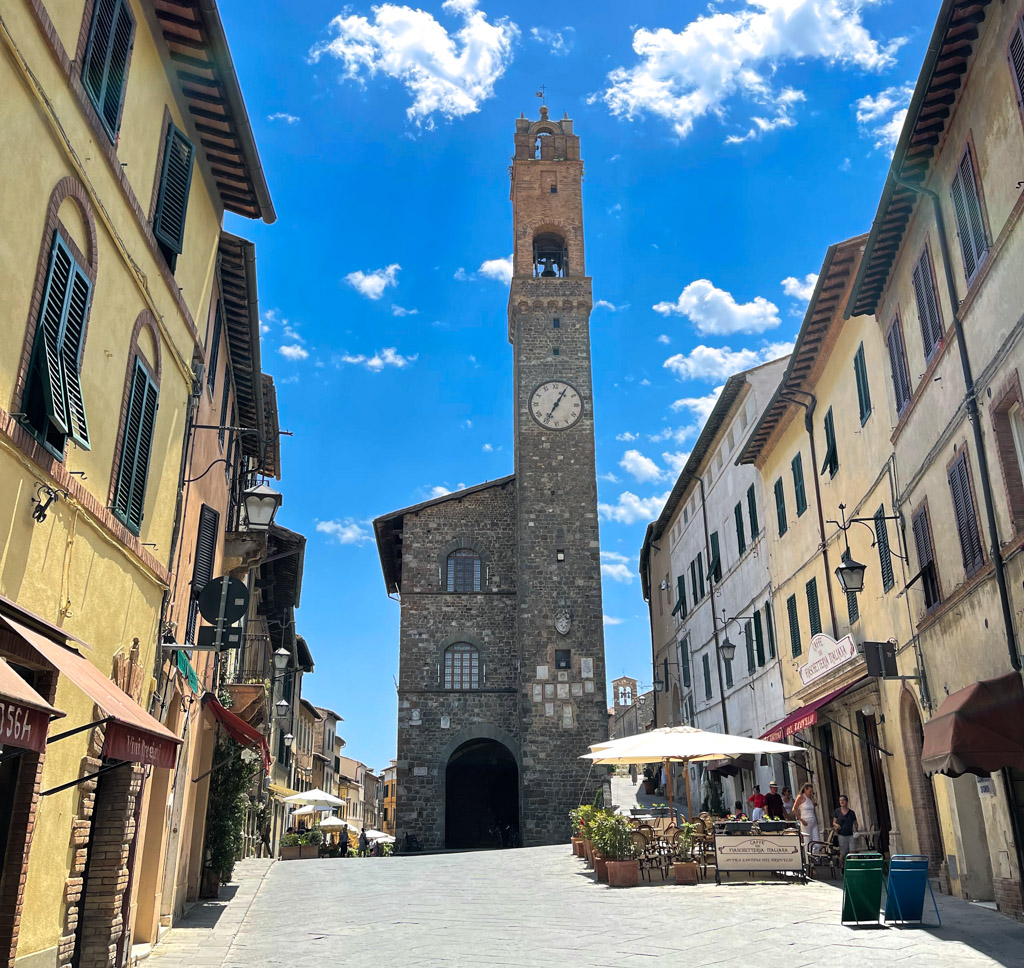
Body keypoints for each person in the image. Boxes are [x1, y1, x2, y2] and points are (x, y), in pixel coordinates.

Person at [832, 794, 858, 865]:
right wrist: (836, 825)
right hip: (841, 835)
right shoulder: (837, 811)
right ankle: (842, 867)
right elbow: (834, 822)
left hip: (851, 834)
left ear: (846, 801)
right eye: (840, 800)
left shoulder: (851, 812)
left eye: (843, 800)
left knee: (852, 852)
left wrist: (856, 831)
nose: (841, 802)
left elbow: (855, 823)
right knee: (843, 853)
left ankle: (853, 867)